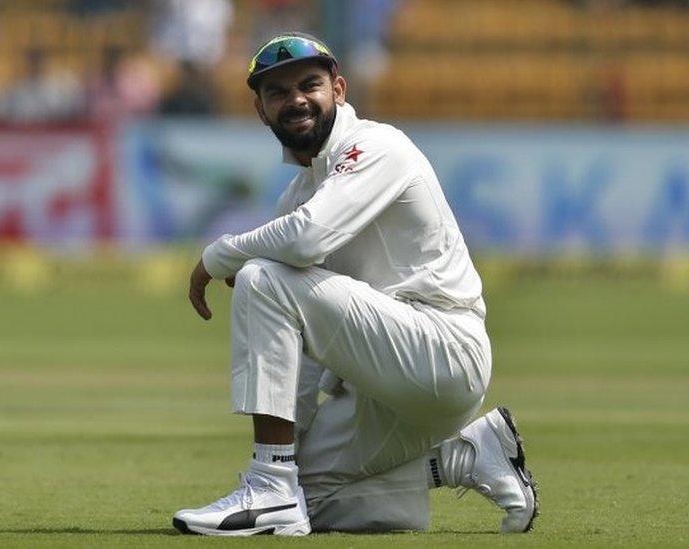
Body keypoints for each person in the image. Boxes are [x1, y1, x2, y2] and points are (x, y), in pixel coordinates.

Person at [175, 32, 538, 536]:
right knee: (312, 500)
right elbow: (296, 354)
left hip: (442, 352)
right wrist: (287, 454)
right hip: (380, 382)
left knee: (260, 274)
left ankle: (271, 489)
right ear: (260, 111)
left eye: (309, 85)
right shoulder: (299, 194)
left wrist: (217, 254)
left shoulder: (377, 145)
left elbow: (306, 240)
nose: (296, 99)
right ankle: (464, 456)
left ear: (339, 89)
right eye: (277, 93)